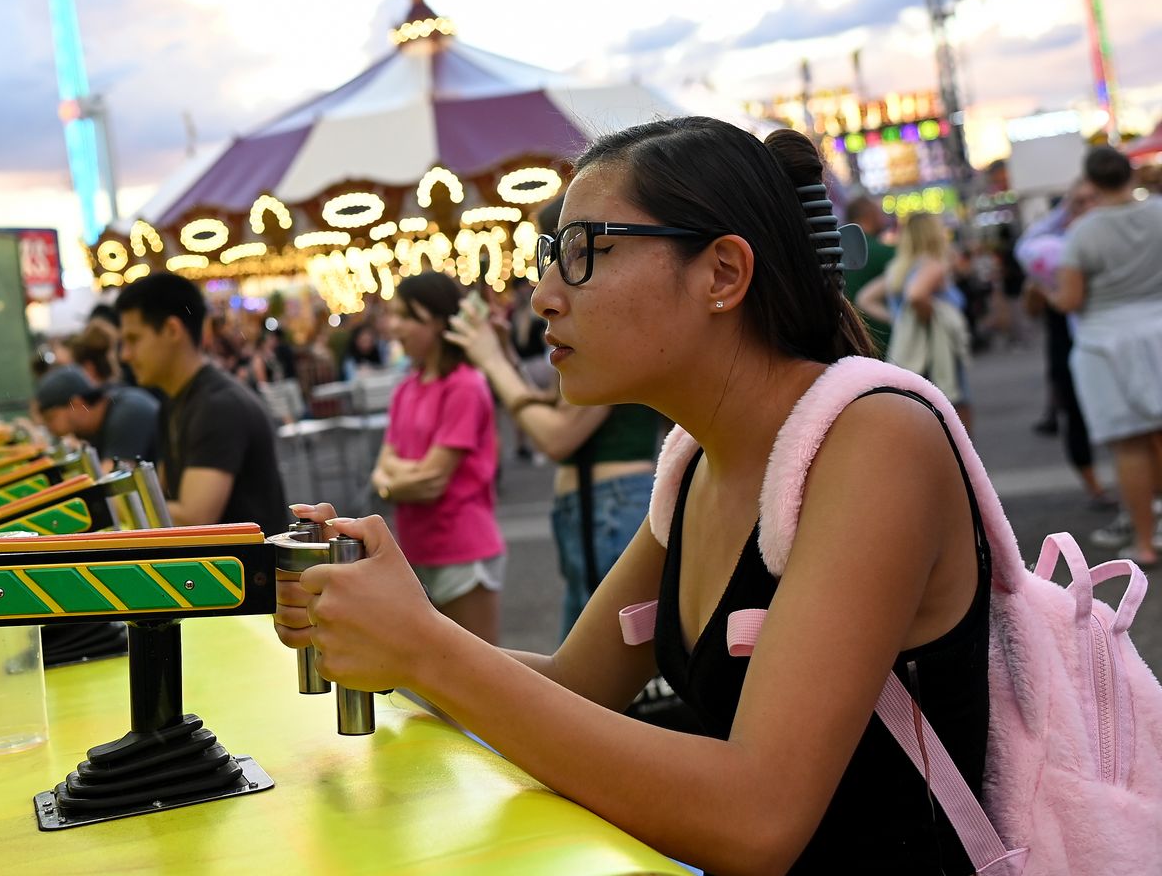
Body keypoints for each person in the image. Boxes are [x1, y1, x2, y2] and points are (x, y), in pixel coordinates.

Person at [274, 118, 995, 872]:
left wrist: (426, 650)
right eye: (551, 255)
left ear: (722, 274)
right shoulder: (695, 466)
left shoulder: (876, 439)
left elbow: (758, 818)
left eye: (586, 252)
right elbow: (575, 687)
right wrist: (383, 634)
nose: (544, 296)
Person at [448, 197, 662, 637]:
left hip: (612, 502)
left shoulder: (620, 337)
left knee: (603, 670)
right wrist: (504, 353)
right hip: (594, 505)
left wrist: (494, 363)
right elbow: (556, 403)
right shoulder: (599, 338)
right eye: (550, 256)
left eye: (573, 255)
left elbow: (559, 435)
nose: (546, 291)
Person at [369, 272, 503, 643]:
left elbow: (431, 480)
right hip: (415, 549)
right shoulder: (406, 388)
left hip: (462, 547)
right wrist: (393, 480)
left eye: (408, 316)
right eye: (394, 315)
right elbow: (384, 468)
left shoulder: (464, 384)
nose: (395, 326)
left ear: (440, 322)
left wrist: (388, 482)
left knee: (477, 675)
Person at [1054, 145, 1162, 566]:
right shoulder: (1158, 213)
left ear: (1092, 182)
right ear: (1129, 173)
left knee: (1129, 447)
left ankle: (1144, 544)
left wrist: (1046, 293)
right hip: (1158, 329)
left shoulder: (1084, 232)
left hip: (1106, 343)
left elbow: (1071, 299)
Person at [115, 273, 288, 534]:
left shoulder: (219, 406)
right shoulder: (172, 403)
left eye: (133, 339)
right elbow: (163, 497)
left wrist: (104, 497)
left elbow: (193, 519)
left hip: (244, 571)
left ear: (173, 330)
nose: (124, 355)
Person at [1016, 182, 1120, 524]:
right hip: (1068, 346)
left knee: (1128, 423)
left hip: (1115, 343)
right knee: (1076, 416)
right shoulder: (1053, 250)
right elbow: (1034, 305)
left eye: (1092, 197)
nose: (1087, 205)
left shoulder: (1116, 238)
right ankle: (1097, 489)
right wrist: (1045, 293)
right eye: (1078, 201)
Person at [856, 212, 973, 428]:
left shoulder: (898, 269)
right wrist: (928, 317)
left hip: (910, 354)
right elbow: (917, 295)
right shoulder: (933, 265)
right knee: (955, 414)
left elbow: (865, 298)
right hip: (937, 352)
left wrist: (900, 320)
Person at [33, 366, 161, 469]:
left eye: (50, 418)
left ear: (76, 404)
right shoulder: (95, 425)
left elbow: (113, 487)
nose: (48, 427)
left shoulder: (128, 411)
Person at [839, 195, 895, 355]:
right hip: (887, 342)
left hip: (853, 344)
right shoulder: (885, 252)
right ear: (869, 215)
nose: (883, 217)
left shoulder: (834, 253)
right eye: (880, 213)